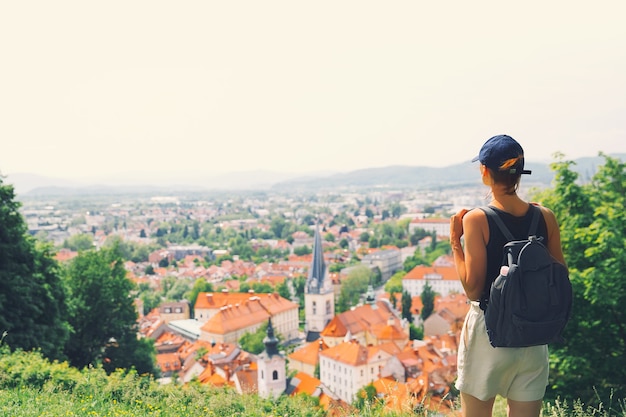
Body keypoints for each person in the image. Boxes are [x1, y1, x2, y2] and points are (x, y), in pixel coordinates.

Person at [450, 134, 567, 417]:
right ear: (519, 172)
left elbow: (473, 289)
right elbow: (560, 276)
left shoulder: (476, 219)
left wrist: (455, 242)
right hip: (534, 335)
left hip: (490, 332)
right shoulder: (545, 216)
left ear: (485, 171)